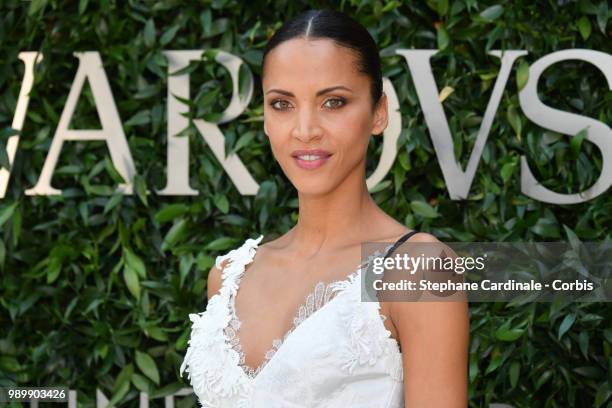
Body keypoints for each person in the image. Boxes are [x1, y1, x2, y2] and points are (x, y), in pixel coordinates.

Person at [180, 8, 469, 407]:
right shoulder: (228, 277)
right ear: (264, 118)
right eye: (282, 104)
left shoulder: (419, 269)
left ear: (378, 112)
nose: (305, 130)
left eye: (333, 102)